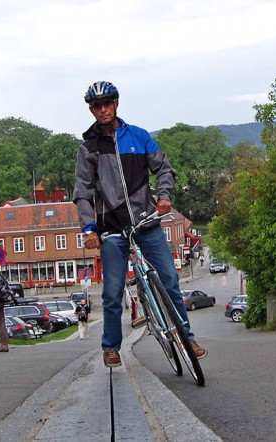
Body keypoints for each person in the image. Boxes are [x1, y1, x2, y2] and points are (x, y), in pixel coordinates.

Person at [73, 81, 207, 368]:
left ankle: (187, 337)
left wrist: (165, 196)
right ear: (91, 110)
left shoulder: (139, 137)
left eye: (108, 103)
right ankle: (111, 346)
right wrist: (88, 229)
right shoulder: (88, 150)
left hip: (146, 221)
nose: (103, 109)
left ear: (117, 103)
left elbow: (163, 167)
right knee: (111, 292)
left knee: (170, 279)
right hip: (112, 230)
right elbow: (83, 193)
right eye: (97, 105)